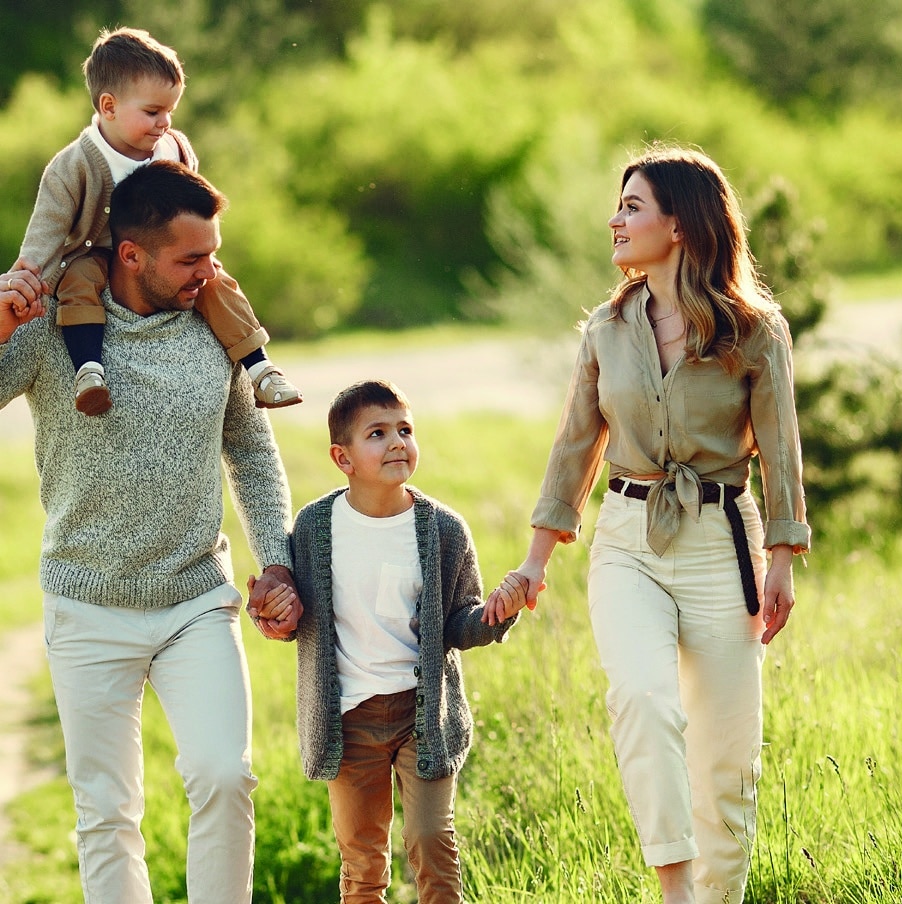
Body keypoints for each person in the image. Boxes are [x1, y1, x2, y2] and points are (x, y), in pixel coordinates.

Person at [485, 144, 810, 904]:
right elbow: (575, 445)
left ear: (682, 224)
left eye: (632, 207)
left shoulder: (755, 331)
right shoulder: (606, 328)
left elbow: (782, 453)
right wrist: (535, 559)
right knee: (643, 699)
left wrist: (782, 560)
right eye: (619, 205)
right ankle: (674, 888)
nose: (615, 220)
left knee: (727, 759)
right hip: (627, 541)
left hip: (723, 543)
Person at [0, 159, 302, 904]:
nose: (211, 271)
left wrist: (279, 562)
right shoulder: (54, 329)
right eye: (191, 259)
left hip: (195, 599)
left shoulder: (216, 328)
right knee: (106, 812)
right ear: (131, 254)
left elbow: (252, 455)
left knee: (225, 775)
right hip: (87, 605)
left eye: (213, 253)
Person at [251, 378, 521, 903]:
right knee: (362, 860)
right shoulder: (315, 528)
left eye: (405, 430)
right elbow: (297, 619)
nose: (397, 442)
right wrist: (272, 613)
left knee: (431, 841)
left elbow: (458, 623)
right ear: (343, 457)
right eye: (377, 433)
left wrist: (495, 616)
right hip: (348, 719)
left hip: (423, 715)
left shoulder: (444, 529)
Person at [12, 25, 301, 415]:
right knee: (78, 282)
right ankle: (88, 370)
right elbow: (47, 231)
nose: (164, 121)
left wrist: (200, 256)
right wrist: (30, 282)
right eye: (152, 112)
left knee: (216, 281)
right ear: (109, 107)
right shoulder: (73, 166)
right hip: (95, 255)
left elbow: (193, 205)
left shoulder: (174, 147)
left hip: (160, 254)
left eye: (170, 111)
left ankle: (261, 370)